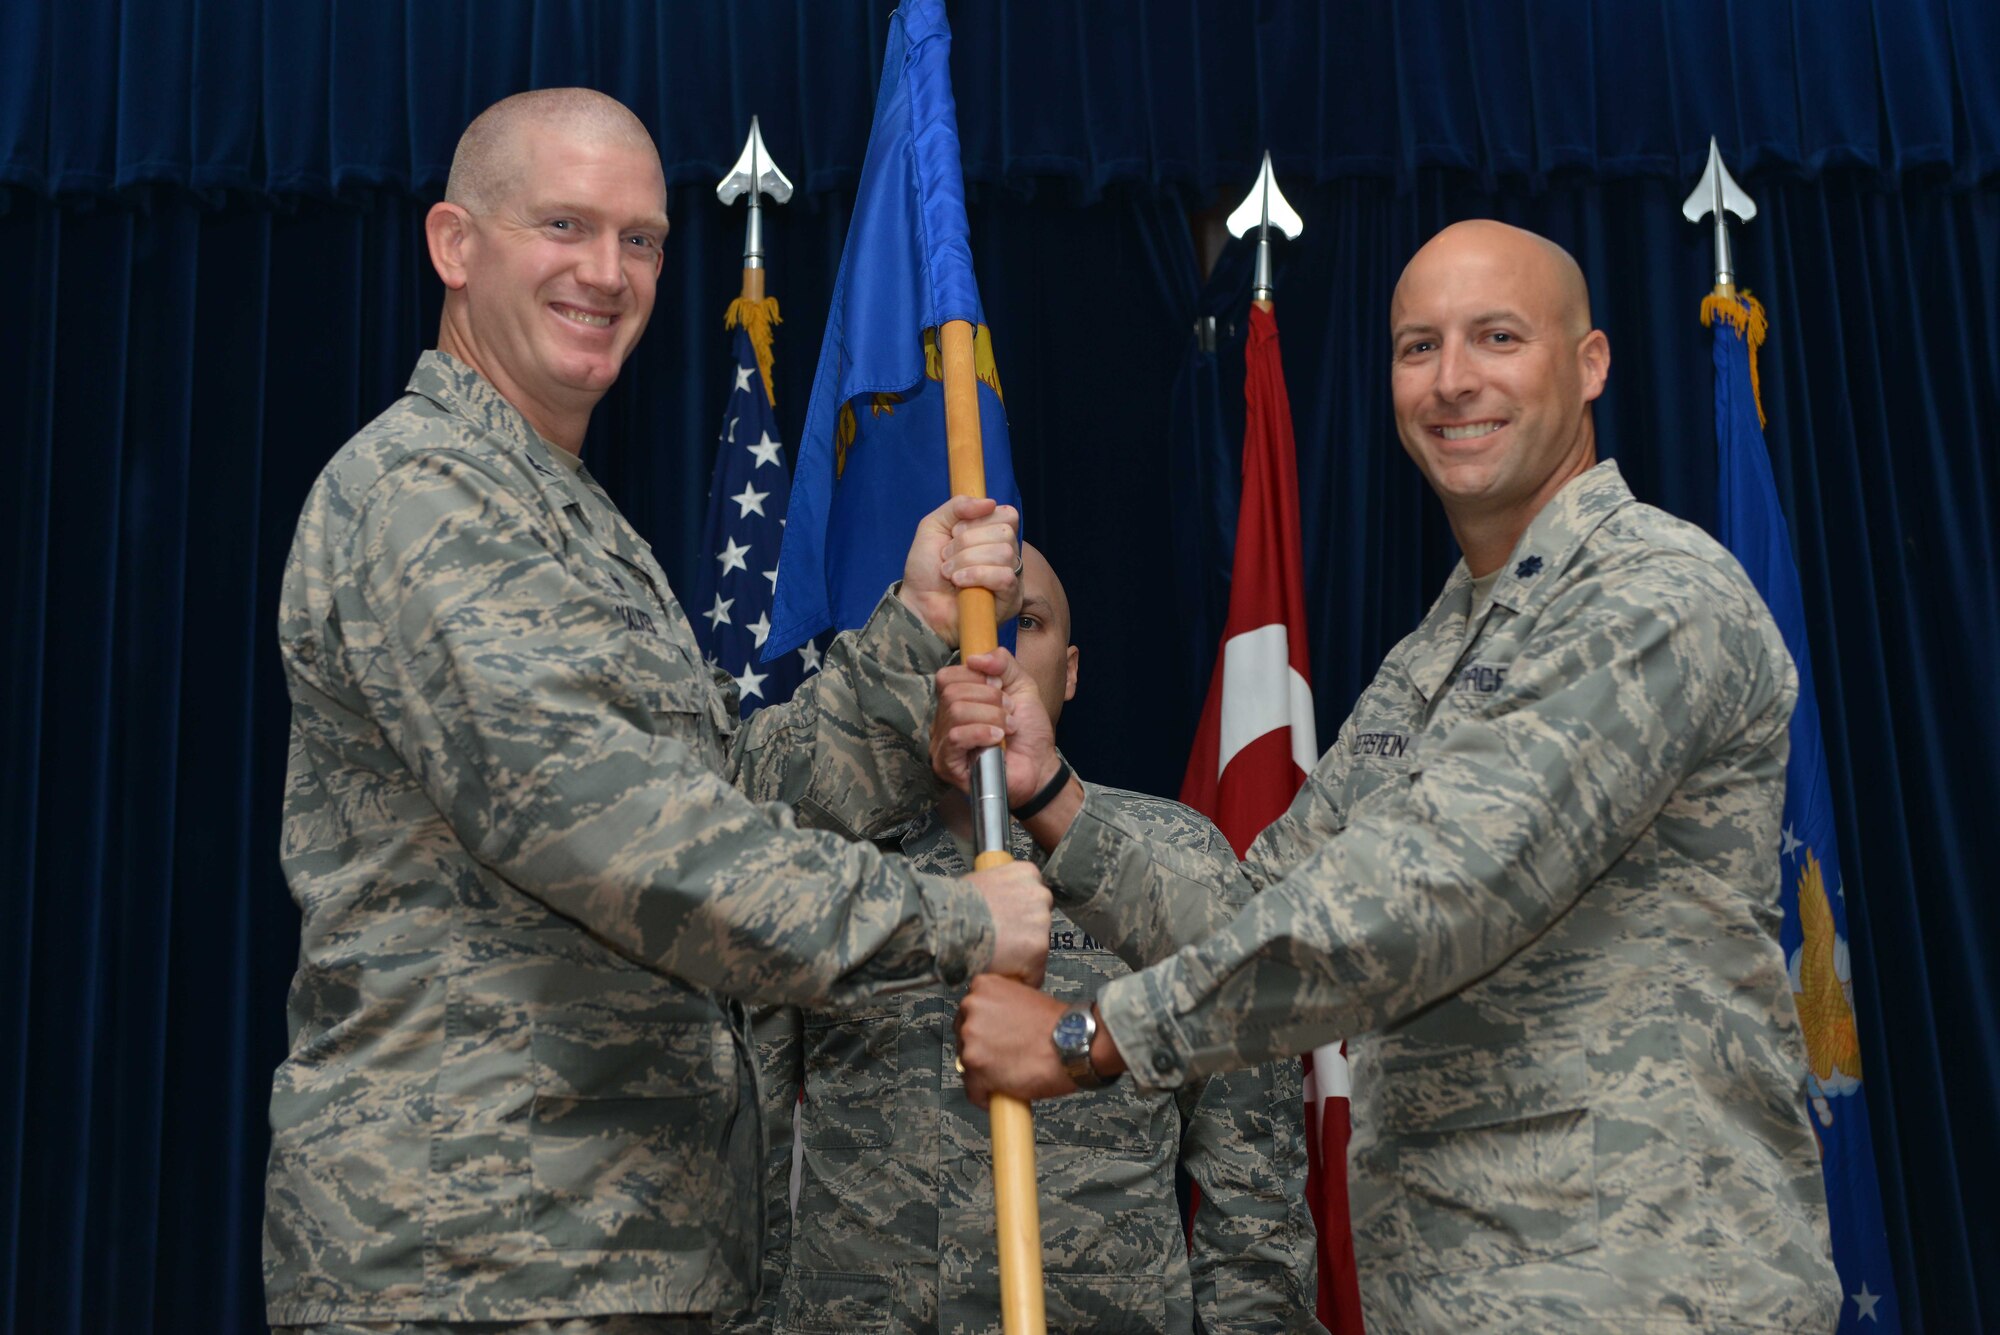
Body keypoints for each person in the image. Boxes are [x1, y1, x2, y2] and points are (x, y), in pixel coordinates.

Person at [942, 220, 1842, 1332]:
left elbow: (1429, 902)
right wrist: (1048, 796)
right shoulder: (1440, 647)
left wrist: (1089, 1038)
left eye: (1496, 337)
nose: (1452, 381)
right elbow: (1257, 908)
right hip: (1455, 1293)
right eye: (1417, 347)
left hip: (1644, 1287)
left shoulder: (1651, 596)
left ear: (1589, 362)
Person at [265, 89, 1051, 1334]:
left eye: (640, 238)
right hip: (477, 1261)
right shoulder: (423, 498)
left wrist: (904, 635)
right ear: (454, 245)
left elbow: (724, 799)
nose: (607, 271)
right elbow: (628, 848)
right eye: (565, 225)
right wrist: (952, 922)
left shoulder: (565, 511)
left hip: (620, 1250)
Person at [728, 544, 1325, 1335]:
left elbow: (1251, 1158)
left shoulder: (1172, 860)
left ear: (1070, 671)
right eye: (963, 628)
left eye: (1025, 623)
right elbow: (752, 1137)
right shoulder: (834, 861)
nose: (987, 654)